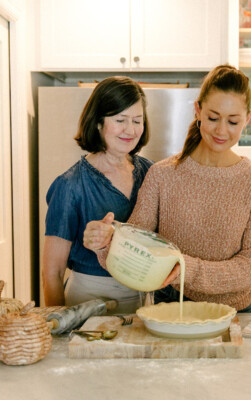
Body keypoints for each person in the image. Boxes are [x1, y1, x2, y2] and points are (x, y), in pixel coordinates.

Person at [83, 64, 251, 313]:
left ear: (247, 120)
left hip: (233, 315)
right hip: (169, 310)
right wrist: (106, 243)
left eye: (233, 121)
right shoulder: (162, 175)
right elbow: (136, 246)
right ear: (198, 110)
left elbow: (250, 268)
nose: (221, 130)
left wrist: (187, 269)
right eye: (213, 117)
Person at [42, 76, 153, 313]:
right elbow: (52, 271)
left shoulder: (150, 173)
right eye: (120, 120)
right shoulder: (70, 185)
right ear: (99, 123)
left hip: (142, 302)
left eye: (137, 120)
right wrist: (59, 325)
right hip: (87, 301)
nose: (130, 130)